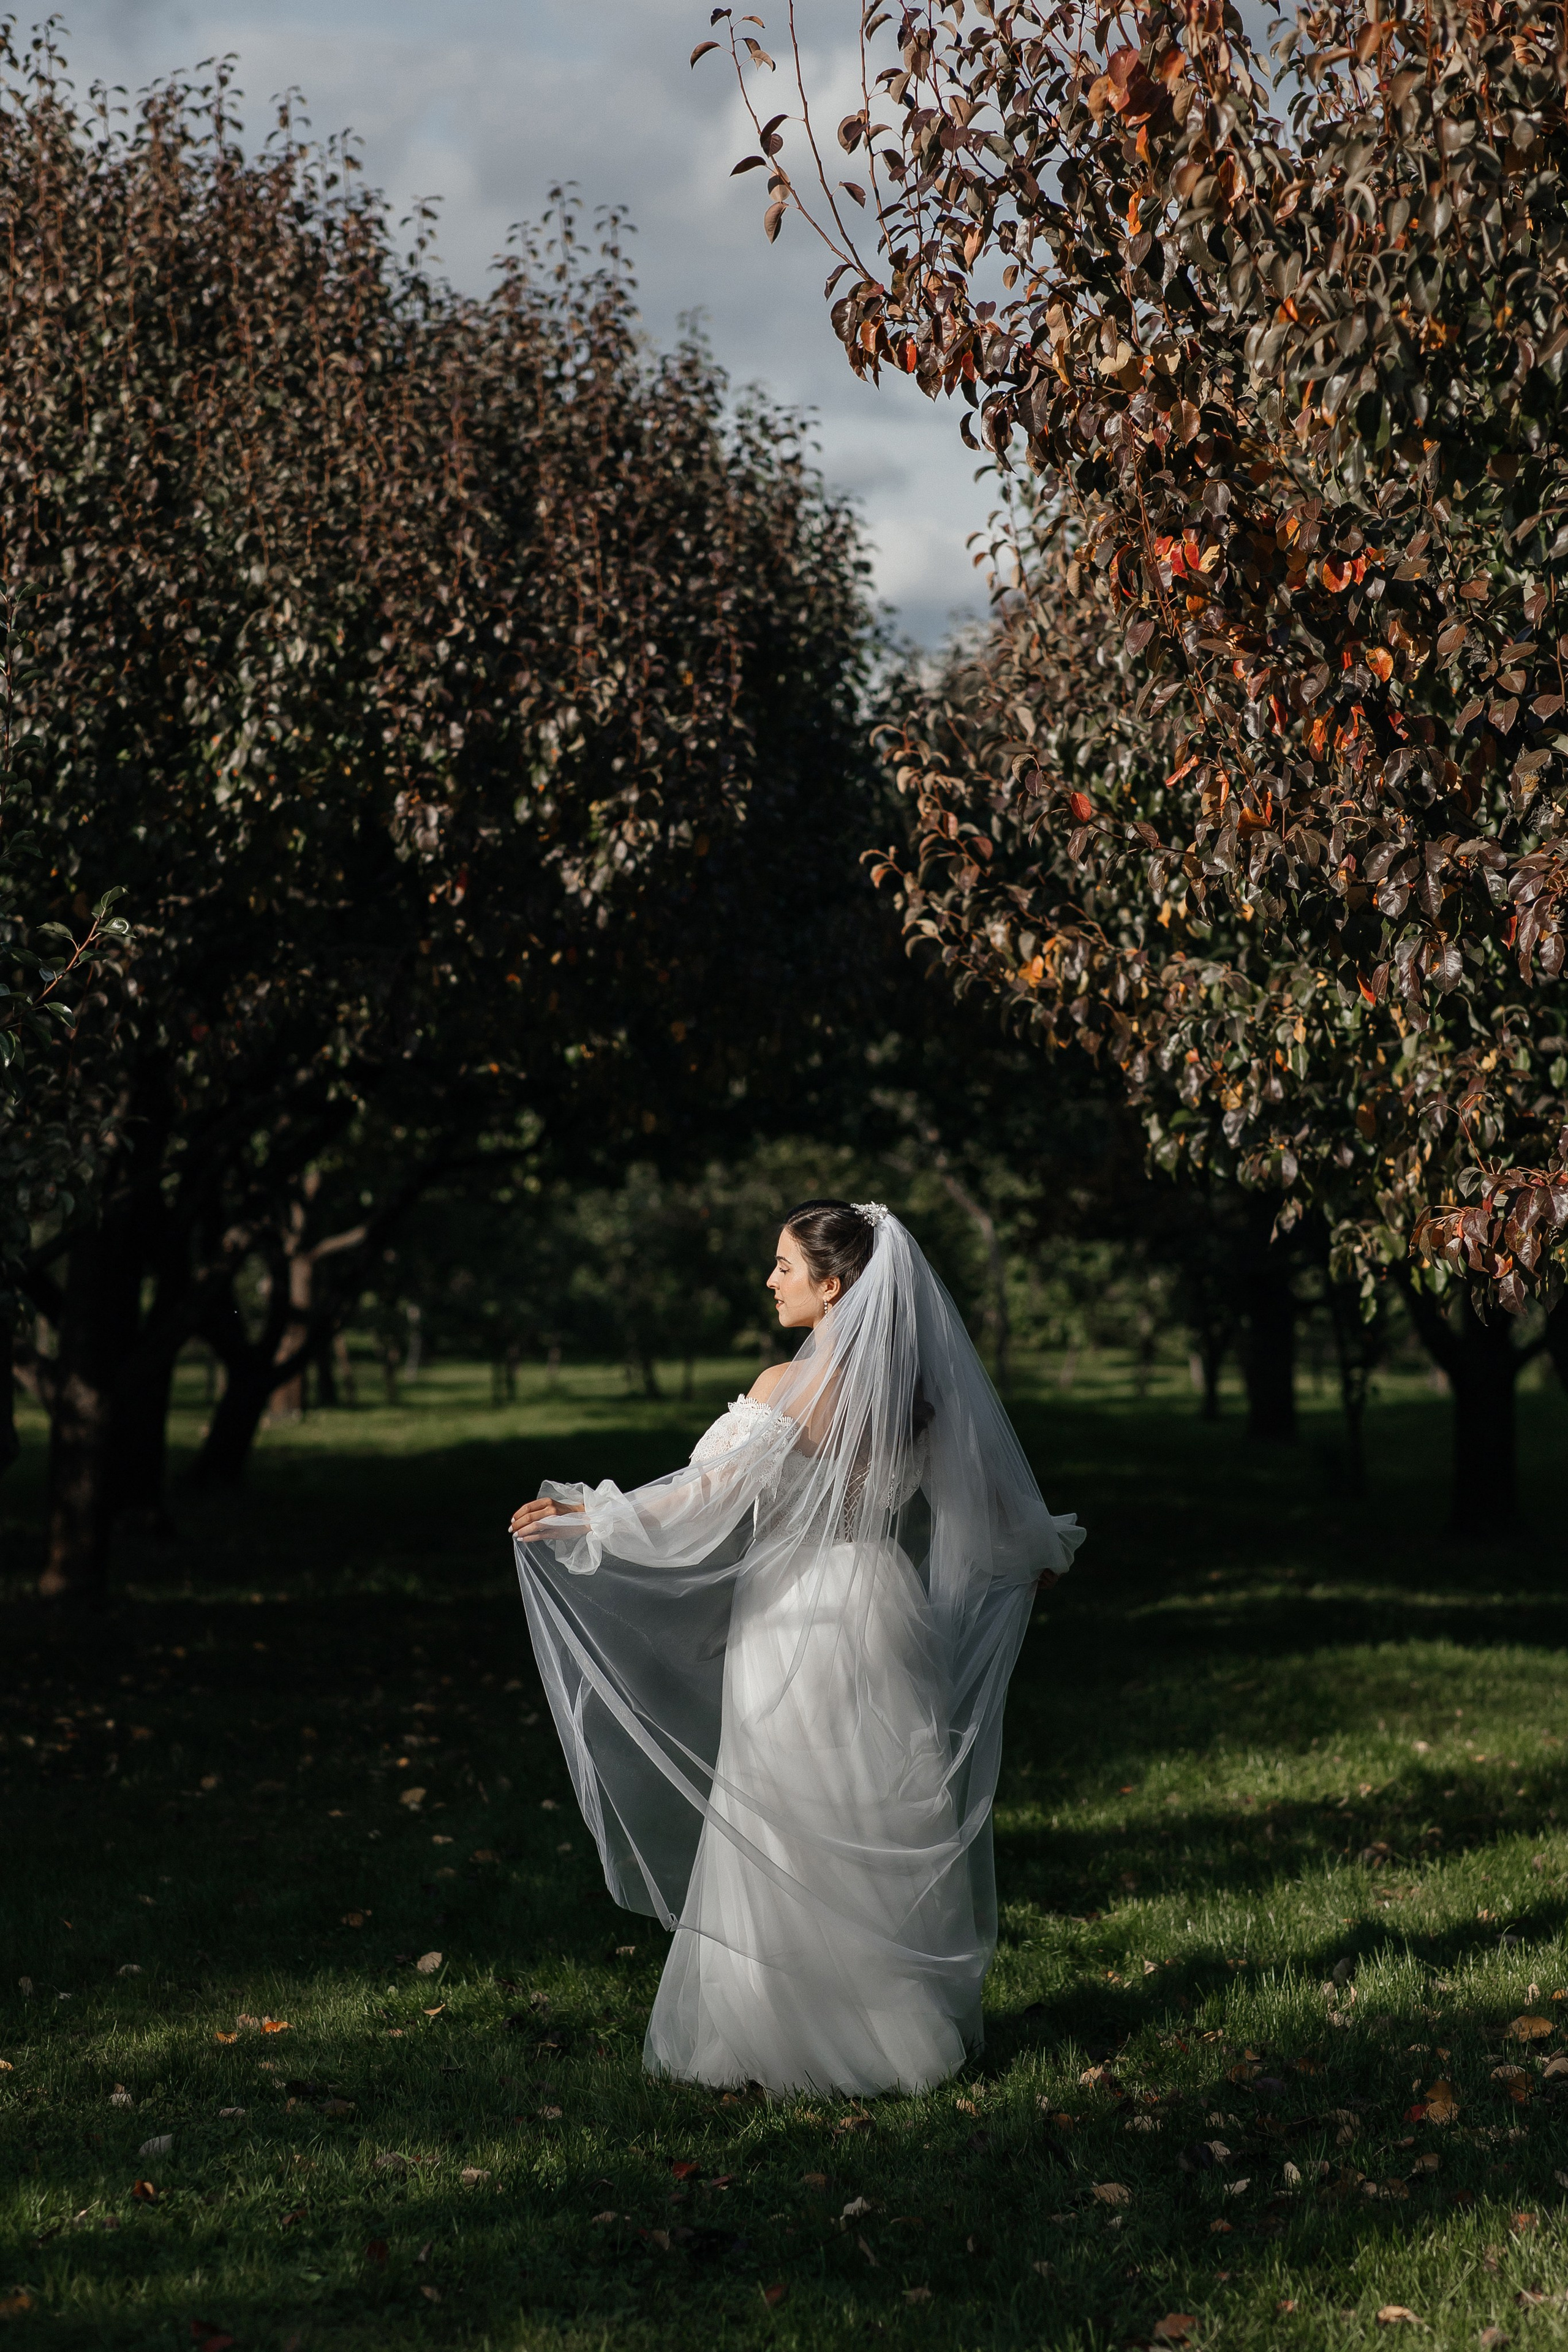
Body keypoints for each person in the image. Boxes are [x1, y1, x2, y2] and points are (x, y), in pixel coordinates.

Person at [509, 1198, 1083, 2098]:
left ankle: (766, 2036)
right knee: (873, 1807)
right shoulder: (917, 1398)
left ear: (834, 1284)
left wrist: (588, 1517)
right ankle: (898, 2033)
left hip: (791, 1620)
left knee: (784, 1817)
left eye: (784, 1265)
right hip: (883, 1606)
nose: (770, 1280)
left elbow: (698, 1503)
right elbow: (995, 1509)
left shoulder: (784, 1387)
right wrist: (1037, 1557)